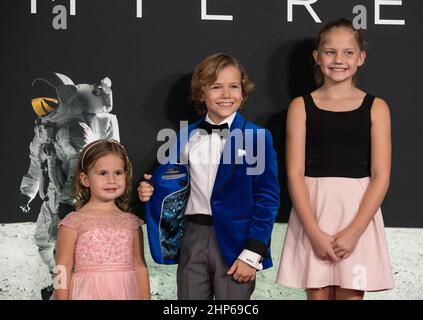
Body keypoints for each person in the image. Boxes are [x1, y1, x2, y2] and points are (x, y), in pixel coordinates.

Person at [139, 53, 280, 300]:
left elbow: (267, 199)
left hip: (237, 244)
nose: (226, 94)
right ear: (201, 93)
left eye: (233, 86)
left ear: (243, 92)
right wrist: (148, 190)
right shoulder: (186, 136)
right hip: (192, 237)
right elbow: (169, 183)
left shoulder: (256, 137)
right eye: (216, 87)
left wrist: (253, 253)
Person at [276, 18, 394, 300]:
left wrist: (354, 231)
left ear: (360, 58)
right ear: (317, 57)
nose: (338, 59)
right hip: (313, 210)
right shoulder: (300, 107)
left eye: (348, 52)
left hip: (358, 213)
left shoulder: (377, 108)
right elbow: (294, 173)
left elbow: (381, 175)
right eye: (330, 52)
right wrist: (314, 232)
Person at [17, 72, 120, 299]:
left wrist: (68, 201)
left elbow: (81, 168)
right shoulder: (44, 131)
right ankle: (61, 284)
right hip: (53, 198)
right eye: (37, 105)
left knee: (67, 250)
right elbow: (35, 165)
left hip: (74, 201)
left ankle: (68, 291)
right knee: (43, 242)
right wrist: (27, 193)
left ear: (64, 99)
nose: (42, 109)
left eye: (47, 103)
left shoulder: (75, 130)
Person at [53, 139, 150, 300]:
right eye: (103, 173)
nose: (111, 180)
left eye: (118, 173)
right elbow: (62, 268)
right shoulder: (72, 223)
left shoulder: (131, 223)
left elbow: (140, 266)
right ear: (85, 179)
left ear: (126, 176)